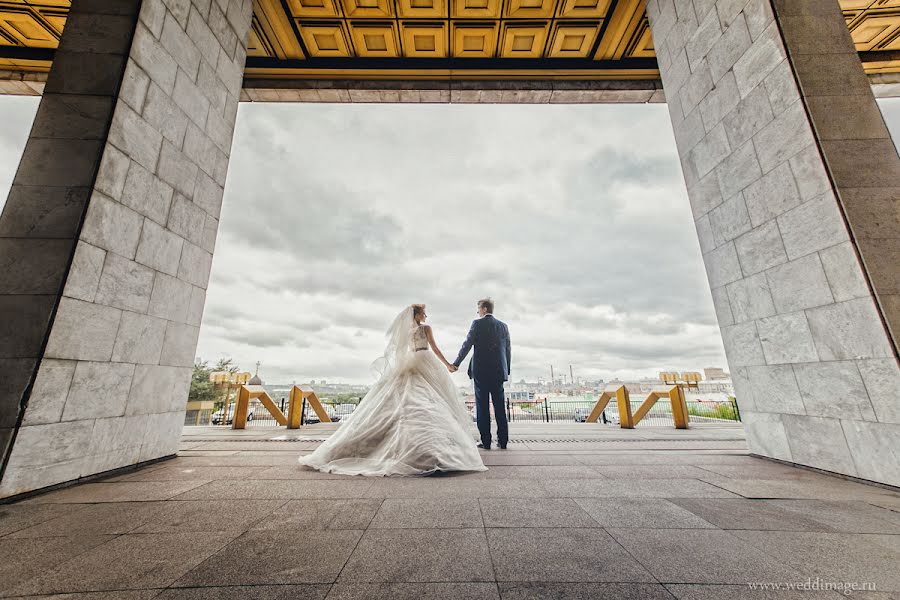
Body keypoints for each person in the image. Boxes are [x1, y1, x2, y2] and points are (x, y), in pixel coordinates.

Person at [297, 304, 486, 476]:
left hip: (410, 363)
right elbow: (434, 349)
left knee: (405, 397)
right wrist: (447, 365)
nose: (426, 315)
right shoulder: (425, 329)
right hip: (426, 361)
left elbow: (401, 351)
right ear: (417, 314)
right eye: (424, 312)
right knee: (432, 398)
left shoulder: (407, 331)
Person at [450, 298, 511, 450]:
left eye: (478, 309)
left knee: (482, 407)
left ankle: (486, 441)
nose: (478, 312)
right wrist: (506, 370)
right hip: (498, 372)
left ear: (483, 309)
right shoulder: (503, 326)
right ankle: (503, 441)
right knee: (499, 407)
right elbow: (508, 350)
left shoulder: (477, 324)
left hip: (481, 372)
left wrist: (456, 363)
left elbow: (467, 345)